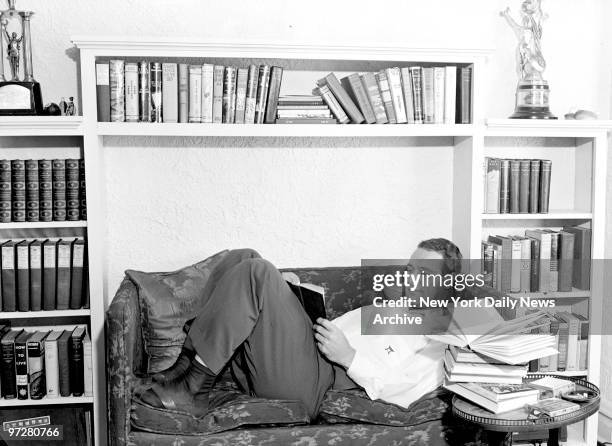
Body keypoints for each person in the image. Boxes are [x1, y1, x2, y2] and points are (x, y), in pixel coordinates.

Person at [140, 239, 463, 419]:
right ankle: (184, 368)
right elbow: (325, 330)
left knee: (256, 271)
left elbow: (404, 391)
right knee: (245, 256)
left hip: (317, 381)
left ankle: (192, 386)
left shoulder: (441, 337)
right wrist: (292, 294)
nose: (411, 279)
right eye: (409, 269)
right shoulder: (389, 307)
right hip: (305, 352)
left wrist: (350, 357)